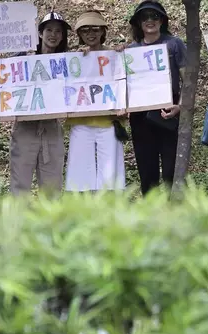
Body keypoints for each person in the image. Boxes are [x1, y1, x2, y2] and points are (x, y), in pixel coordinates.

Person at [127, 0, 187, 196]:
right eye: (145, 17)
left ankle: (176, 216)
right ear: (138, 23)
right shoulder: (131, 51)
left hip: (168, 111)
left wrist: (180, 106)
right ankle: (151, 218)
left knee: (171, 171)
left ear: (162, 21)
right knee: (147, 172)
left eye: (154, 16)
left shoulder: (174, 44)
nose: (150, 20)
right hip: (140, 116)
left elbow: (188, 81)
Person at [64, 10, 127, 192]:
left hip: (109, 121)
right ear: (80, 35)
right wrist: (77, 57)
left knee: (111, 173)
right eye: (85, 30)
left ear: (102, 32)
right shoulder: (74, 58)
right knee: (79, 172)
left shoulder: (114, 55)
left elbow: (124, 82)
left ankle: (110, 209)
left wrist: (120, 55)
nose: (90, 34)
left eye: (95, 29)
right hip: (81, 121)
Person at [9, 12, 70, 197]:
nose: (53, 35)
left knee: (52, 186)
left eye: (58, 31)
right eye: (49, 30)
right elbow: (4, 78)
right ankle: (18, 224)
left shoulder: (67, 62)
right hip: (25, 127)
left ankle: (51, 224)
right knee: (20, 184)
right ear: (41, 34)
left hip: (51, 127)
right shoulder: (24, 58)